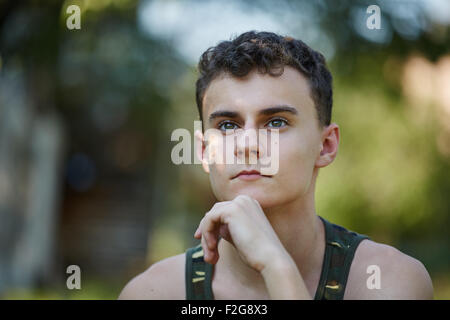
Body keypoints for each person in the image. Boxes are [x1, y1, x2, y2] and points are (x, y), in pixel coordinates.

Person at [118, 30, 433, 300]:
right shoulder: (154, 292)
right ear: (204, 152)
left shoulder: (386, 281)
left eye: (276, 122)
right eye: (227, 125)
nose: (249, 145)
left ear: (326, 146)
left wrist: (276, 267)